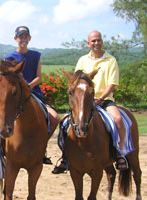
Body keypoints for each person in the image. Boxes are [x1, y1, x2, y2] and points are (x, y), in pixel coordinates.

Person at [52, 30, 128, 174]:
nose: (96, 43)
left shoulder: (111, 60)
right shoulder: (82, 60)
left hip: (104, 100)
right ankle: (65, 157)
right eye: (93, 41)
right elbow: (75, 82)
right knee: (64, 123)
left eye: (98, 40)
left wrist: (100, 98)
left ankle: (120, 153)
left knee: (117, 119)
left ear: (102, 41)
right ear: (88, 43)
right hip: (84, 101)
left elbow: (112, 84)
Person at [0, 26, 60, 164]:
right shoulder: (9, 57)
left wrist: (28, 87)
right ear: (16, 39)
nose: (23, 39)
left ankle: (42, 147)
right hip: (14, 94)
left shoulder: (36, 55)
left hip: (33, 92)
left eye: (26, 37)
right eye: (21, 37)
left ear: (29, 38)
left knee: (54, 117)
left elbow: (39, 77)